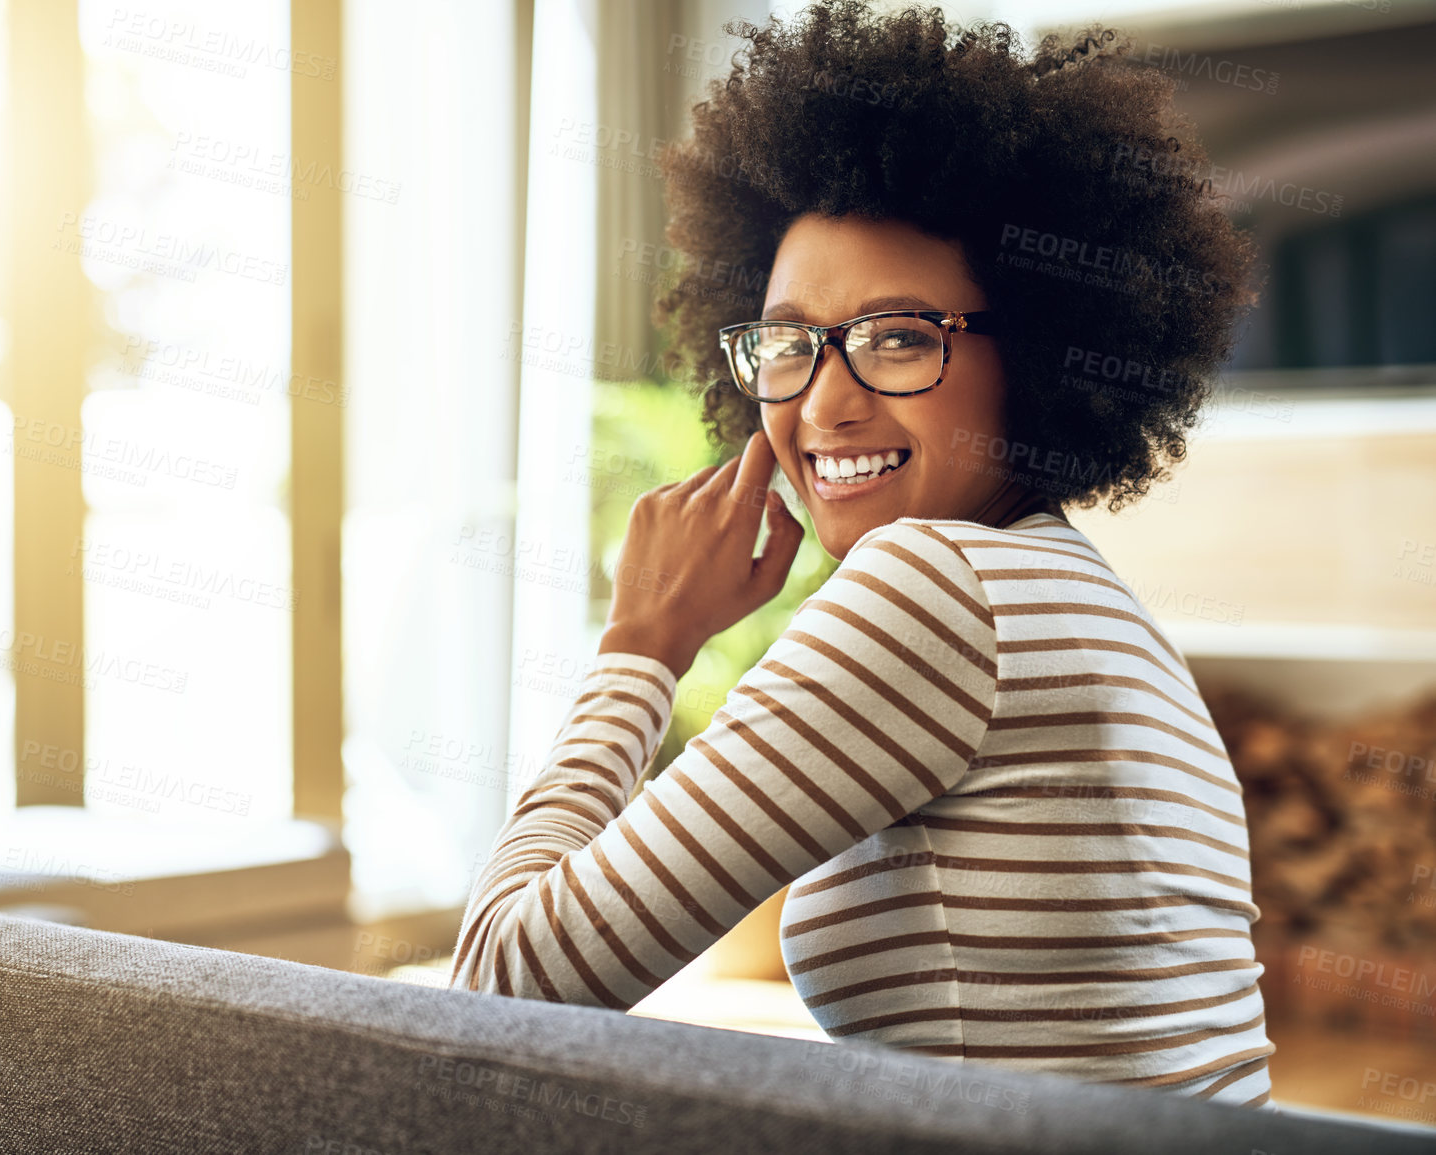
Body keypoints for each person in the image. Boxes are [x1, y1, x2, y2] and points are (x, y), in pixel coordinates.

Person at [451, 0, 1273, 1109]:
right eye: (790, 342)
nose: (825, 403)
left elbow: (498, 991)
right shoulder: (1065, 590)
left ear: (1035, 351)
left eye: (897, 338)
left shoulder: (938, 592)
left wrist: (641, 646)